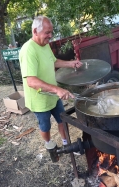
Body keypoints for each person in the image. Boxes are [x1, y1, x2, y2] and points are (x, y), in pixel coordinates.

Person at [19, 16, 82, 149]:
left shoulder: (45, 45)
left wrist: (71, 64)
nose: (50, 36)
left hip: (53, 95)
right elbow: (31, 81)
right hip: (39, 99)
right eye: (47, 32)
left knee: (62, 120)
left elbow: (54, 62)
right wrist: (57, 89)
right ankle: (49, 145)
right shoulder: (28, 50)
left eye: (51, 32)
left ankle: (66, 144)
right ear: (35, 31)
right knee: (45, 125)